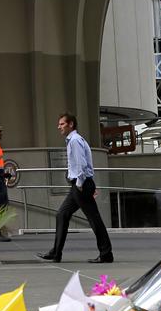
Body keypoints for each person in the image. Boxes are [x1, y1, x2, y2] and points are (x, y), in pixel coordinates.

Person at [38, 112, 113, 264]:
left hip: (80, 185)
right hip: (81, 184)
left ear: (71, 124)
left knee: (94, 219)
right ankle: (56, 252)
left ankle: (106, 254)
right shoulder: (75, 140)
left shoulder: (75, 141)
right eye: (59, 124)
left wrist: (80, 184)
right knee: (62, 214)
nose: (59, 127)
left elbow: (81, 164)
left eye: (62, 124)